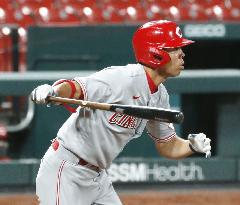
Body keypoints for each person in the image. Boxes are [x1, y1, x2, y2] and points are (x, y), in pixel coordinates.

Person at [31, 20, 211, 205]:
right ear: (155, 53)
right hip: (66, 170)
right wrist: (53, 92)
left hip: (97, 177)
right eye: (174, 48)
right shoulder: (121, 79)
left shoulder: (160, 96)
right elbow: (75, 88)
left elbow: (168, 145)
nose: (182, 54)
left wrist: (191, 146)